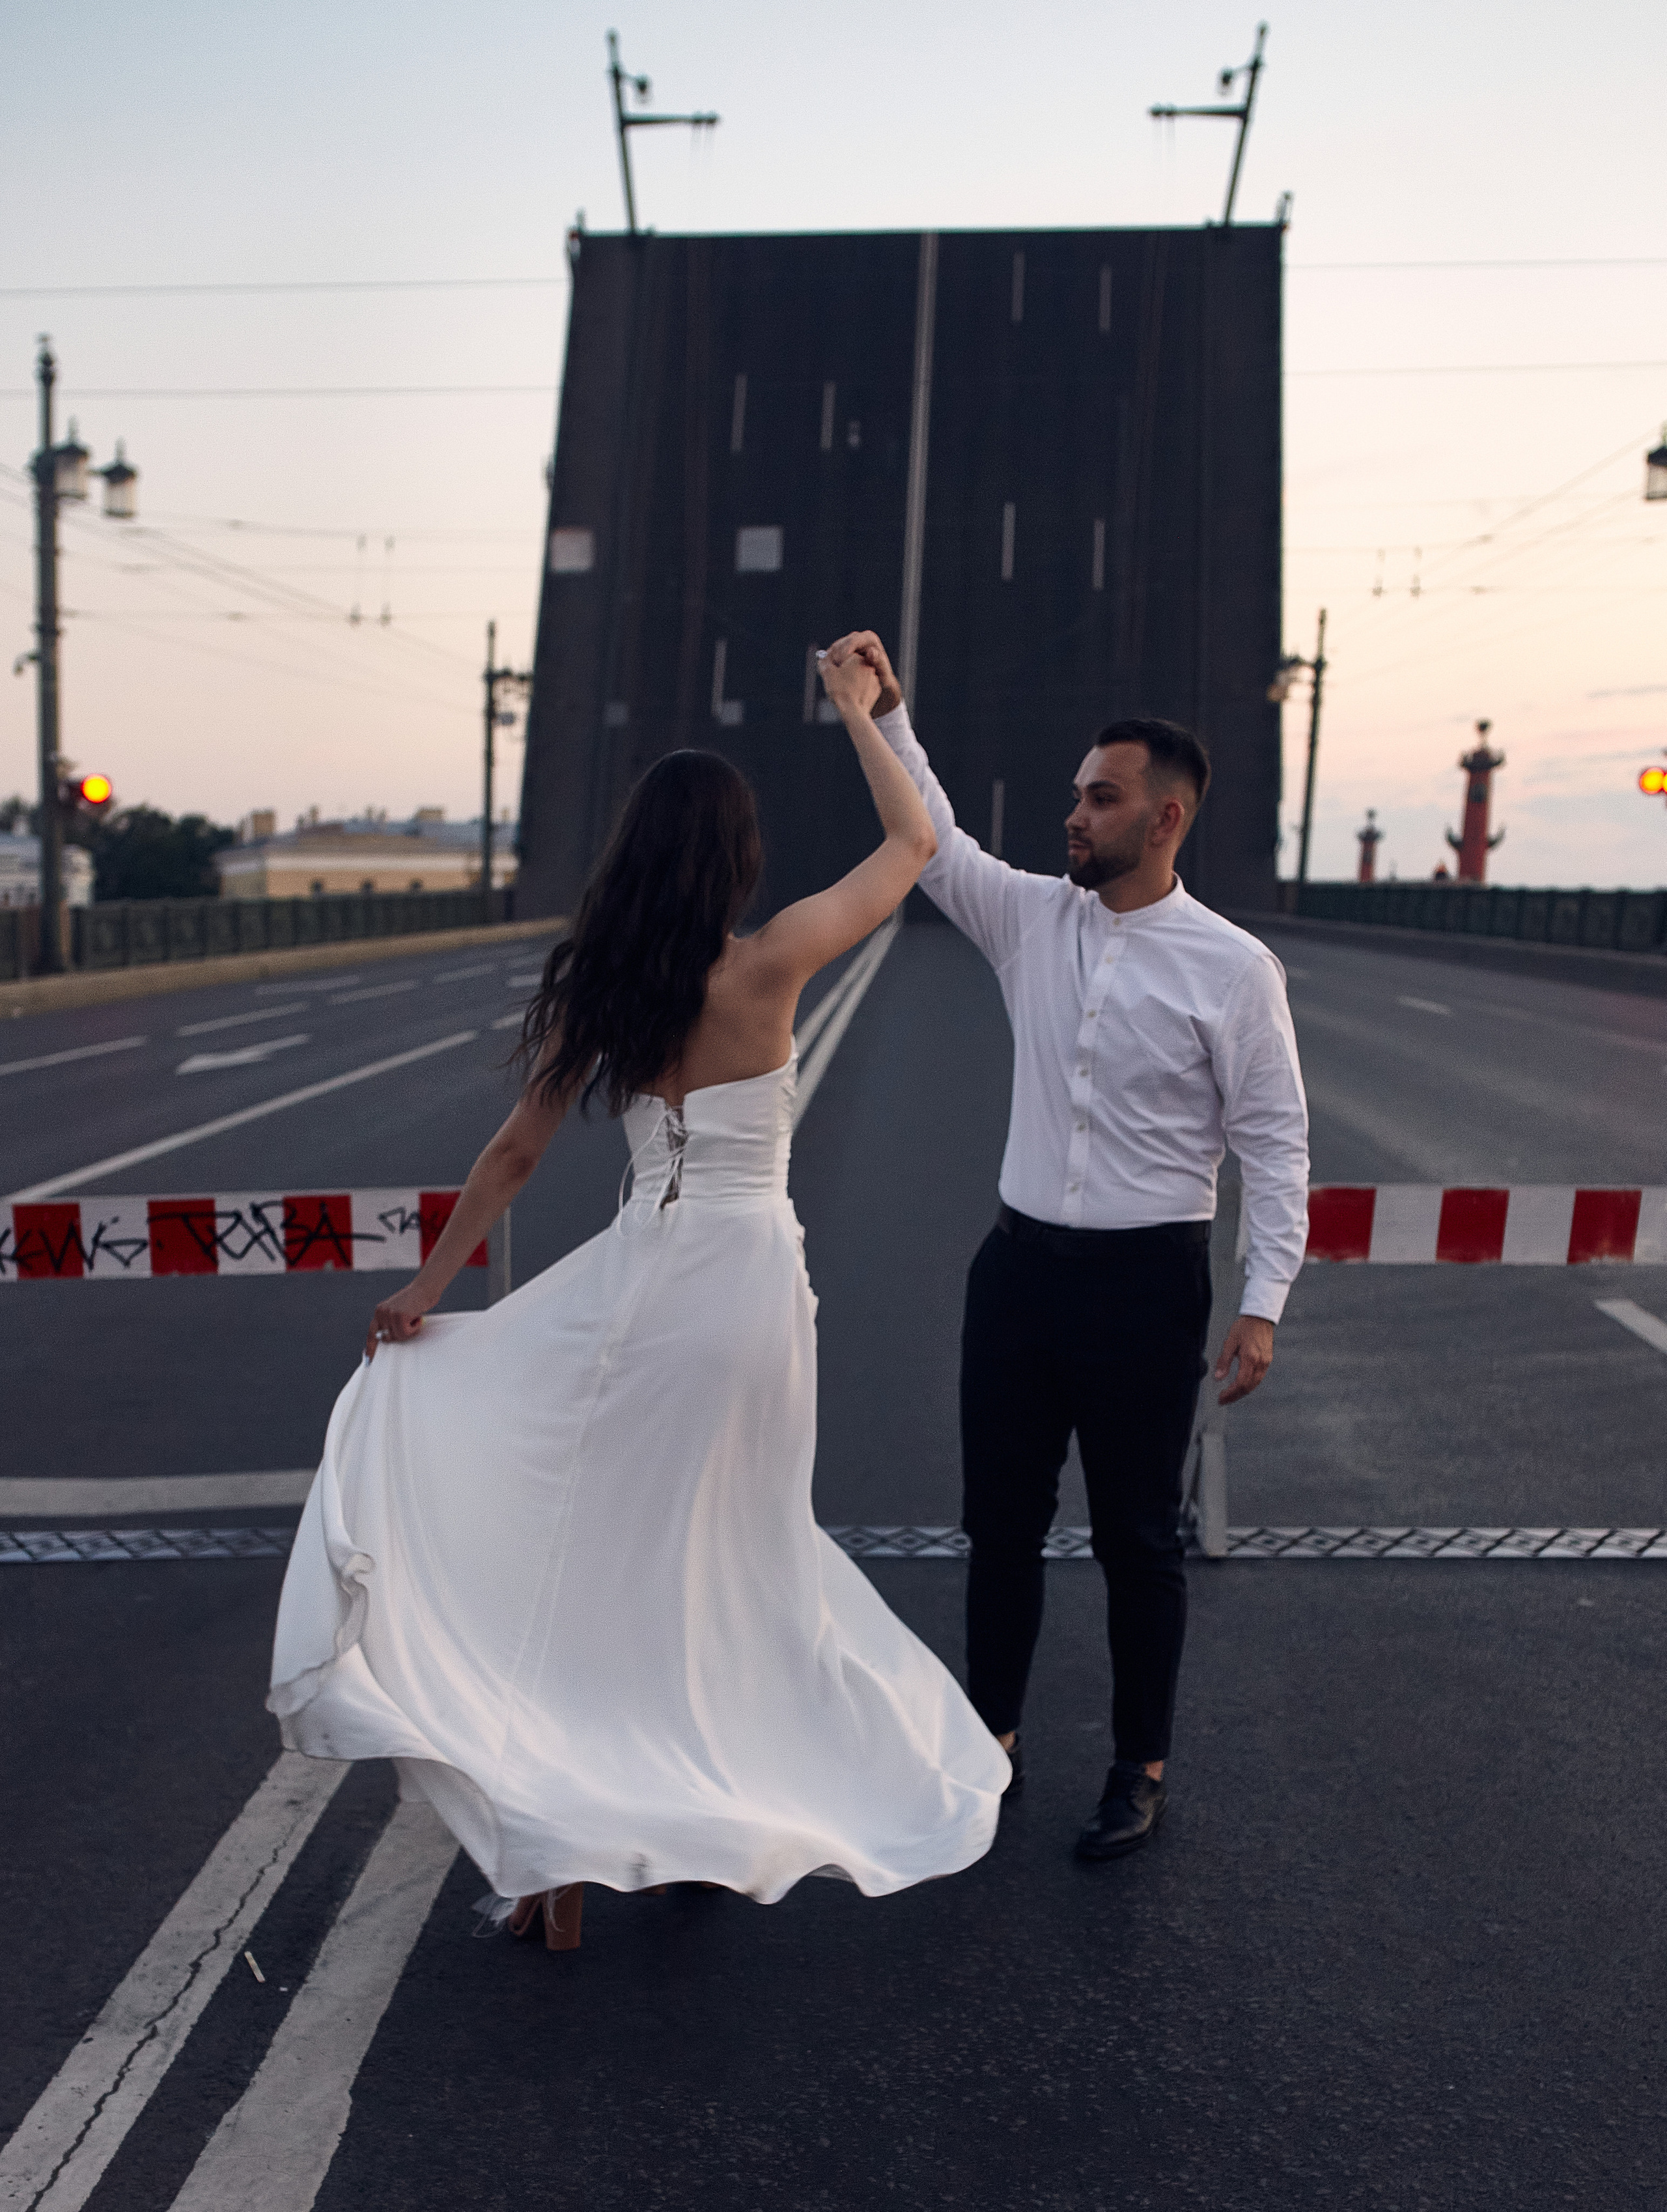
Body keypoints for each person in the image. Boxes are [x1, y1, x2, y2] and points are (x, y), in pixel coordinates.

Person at [267, 647, 1010, 1952]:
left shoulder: (602, 993)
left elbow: (512, 1157)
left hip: (630, 1288)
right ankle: (695, 1829)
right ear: (732, 857)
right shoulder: (769, 963)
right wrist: (864, 713)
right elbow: (916, 840)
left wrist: (428, 1292)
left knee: (584, 1566)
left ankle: (557, 1853)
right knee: (724, 1566)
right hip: (742, 1297)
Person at [823, 631, 1310, 1863]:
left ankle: (1138, 1767)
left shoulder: (1235, 971)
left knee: (1140, 1537)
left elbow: (1276, 1144)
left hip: (1148, 1286)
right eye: (1077, 795)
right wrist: (887, 714)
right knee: (1000, 1523)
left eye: (1102, 798)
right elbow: (933, 834)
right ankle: (991, 1742)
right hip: (1021, 1275)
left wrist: (1261, 1305)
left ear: (1167, 817)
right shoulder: (1033, 920)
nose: (1075, 816)